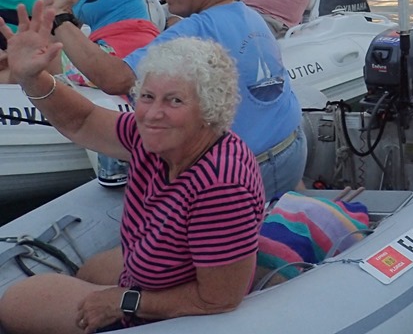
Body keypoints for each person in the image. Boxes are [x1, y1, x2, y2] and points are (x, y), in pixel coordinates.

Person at [0, 26, 264, 333]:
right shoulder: (154, 139)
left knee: (17, 301)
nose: (152, 114)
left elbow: (218, 300)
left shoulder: (221, 186)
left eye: (174, 101)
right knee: (90, 270)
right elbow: (82, 121)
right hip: (149, 274)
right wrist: (31, 77)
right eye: (148, 97)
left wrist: (125, 302)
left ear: (209, 110)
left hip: (172, 311)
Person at [50, 0, 306, 199]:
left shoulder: (196, 31)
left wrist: (60, 17)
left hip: (252, 172)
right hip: (292, 149)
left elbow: (114, 79)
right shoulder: (249, 14)